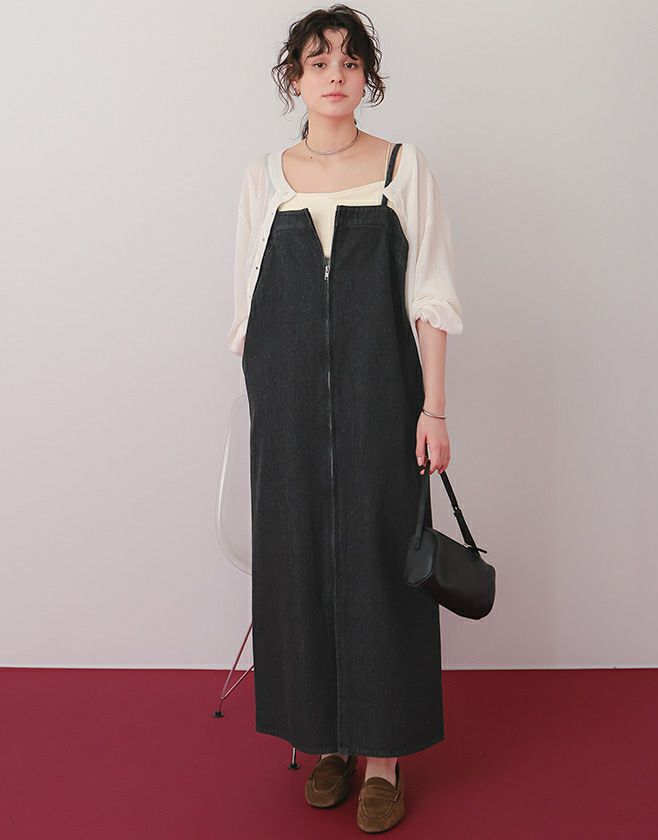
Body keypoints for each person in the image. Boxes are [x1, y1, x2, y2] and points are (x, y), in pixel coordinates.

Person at [226, 5, 463, 833]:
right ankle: (324, 739)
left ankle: (384, 755)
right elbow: (246, 307)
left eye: (350, 60)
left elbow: (431, 296)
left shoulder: (402, 168)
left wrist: (434, 407)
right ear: (294, 77)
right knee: (296, 559)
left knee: (380, 560)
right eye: (318, 60)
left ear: (367, 77)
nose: (335, 73)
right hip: (286, 398)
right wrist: (266, 399)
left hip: (382, 393)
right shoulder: (265, 176)